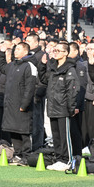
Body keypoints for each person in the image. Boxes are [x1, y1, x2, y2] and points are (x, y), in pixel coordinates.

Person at [39, 43, 78, 171]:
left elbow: (72, 91)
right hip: (52, 106)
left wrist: (71, 108)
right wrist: (43, 65)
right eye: (54, 50)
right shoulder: (53, 68)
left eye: (58, 50)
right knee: (56, 136)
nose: (55, 52)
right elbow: (44, 80)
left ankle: (67, 159)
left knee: (64, 137)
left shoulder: (70, 69)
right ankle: (59, 158)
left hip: (63, 108)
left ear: (66, 53)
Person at [0, 41, 37, 164]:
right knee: (13, 130)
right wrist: (2, 53)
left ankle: (26, 156)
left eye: (19, 49)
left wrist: (24, 104)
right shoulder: (12, 65)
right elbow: (2, 66)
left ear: (25, 51)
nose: (15, 51)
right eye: (15, 49)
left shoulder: (29, 65)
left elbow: (30, 88)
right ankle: (18, 154)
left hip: (22, 105)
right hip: (10, 104)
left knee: (23, 131)